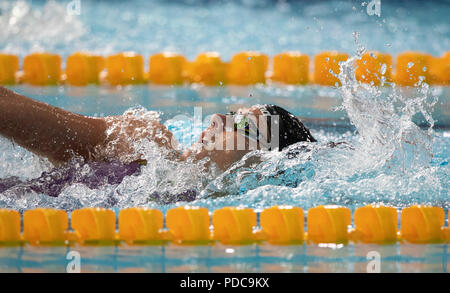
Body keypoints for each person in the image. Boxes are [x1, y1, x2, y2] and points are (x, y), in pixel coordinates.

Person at [0, 86, 316, 197]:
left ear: (264, 163)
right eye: (233, 112)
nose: (218, 118)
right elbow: (11, 111)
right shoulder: (146, 141)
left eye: (244, 123)